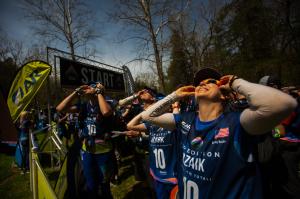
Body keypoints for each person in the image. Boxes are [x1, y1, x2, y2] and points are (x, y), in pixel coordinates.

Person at [140, 68, 297, 198]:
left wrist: (235, 82)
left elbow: (284, 104)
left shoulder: (237, 122)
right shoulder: (185, 119)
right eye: (200, 83)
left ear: (223, 94)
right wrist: (175, 95)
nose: (203, 84)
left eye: (212, 82)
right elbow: (147, 115)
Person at [56, 82, 114, 199]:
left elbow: (106, 112)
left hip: (103, 152)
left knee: (104, 185)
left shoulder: (108, 103)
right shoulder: (83, 106)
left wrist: (98, 92)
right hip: (87, 151)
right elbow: (60, 108)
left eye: (91, 86)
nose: (87, 88)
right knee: (91, 184)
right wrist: (75, 92)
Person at [127, 97, 178, 199]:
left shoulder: (173, 123)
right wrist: (146, 113)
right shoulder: (152, 125)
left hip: (172, 176)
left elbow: (177, 118)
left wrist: (175, 106)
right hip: (157, 175)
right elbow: (130, 125)